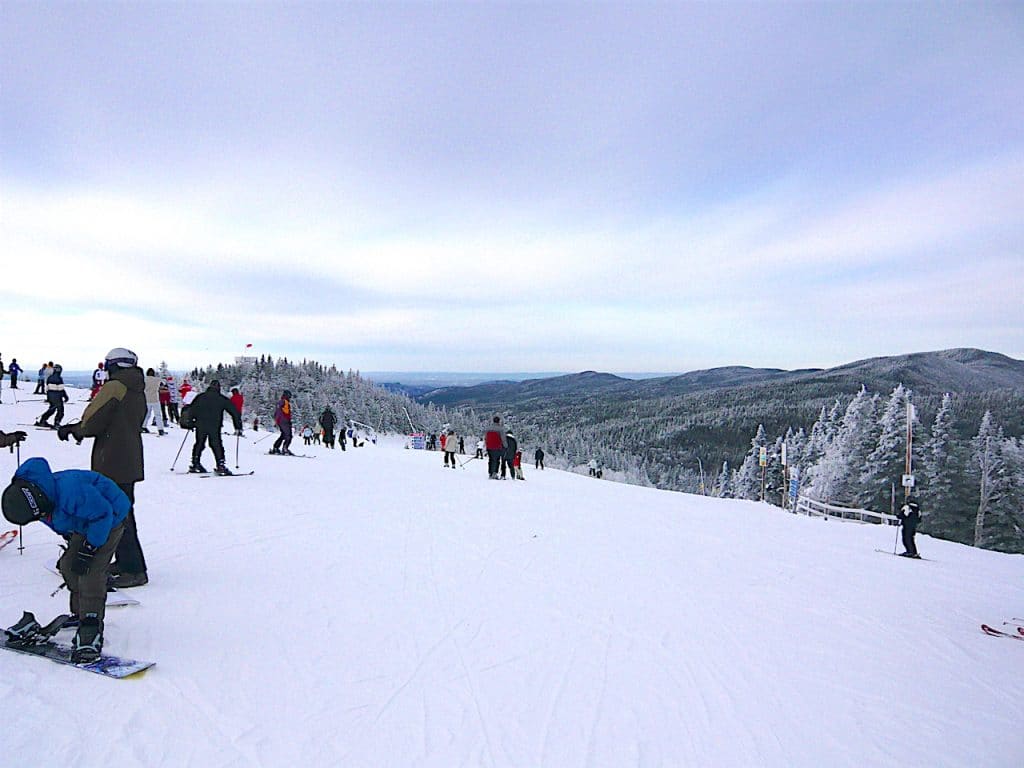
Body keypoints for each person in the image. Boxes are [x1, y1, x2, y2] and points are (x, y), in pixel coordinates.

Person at [2, 456, 131, 663]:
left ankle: (91, 623)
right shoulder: (40, 502)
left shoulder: (72, 492)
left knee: (90, 572)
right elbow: (60, 520)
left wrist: (89, 548)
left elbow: (103, 515)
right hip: (85, 521)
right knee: (69, 567)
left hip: (110, 518)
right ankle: (81, 612)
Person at [58, 347, 148, 589]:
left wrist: (73, 429)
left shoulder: (116, 386)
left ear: (114, 365)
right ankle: (127, 562)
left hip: (113, 459)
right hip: (128, 457)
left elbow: (93, 420)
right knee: (121, 511)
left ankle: (134, 570)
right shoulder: (138, 386)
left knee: (119, 514)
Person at [188, 379, 243, 475]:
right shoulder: (221, 398)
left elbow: (192, 409)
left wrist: (190, 422)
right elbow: (234, 412)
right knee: (216, 444)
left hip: (200, 424)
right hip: (214, 425)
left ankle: (195, 463)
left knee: (199, 443)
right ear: (218, 388)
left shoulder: (200, 397)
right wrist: (238, 426)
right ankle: (220, 465)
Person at [36, 363, 69, 428]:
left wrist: (48, 398)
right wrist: (65, 397)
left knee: (52, 409)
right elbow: (61, 389)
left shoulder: (49, 377)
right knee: (60, 411)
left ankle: (43, 420)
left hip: (51, 397)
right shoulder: (59, 378)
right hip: (58, 397)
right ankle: (57, 423)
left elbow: (47, 389)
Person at [142, 368, 166, 435]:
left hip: (147, 399)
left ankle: (143, 426)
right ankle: (160, 429)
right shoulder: (156, 379)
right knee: (158, 415)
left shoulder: (144, 379)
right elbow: (164, 382)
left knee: (147, 414)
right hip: (155, 399)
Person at [270, 389, 294, 455]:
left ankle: (276, 447)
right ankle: (285, 449)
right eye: (289, 396)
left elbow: (278, 412)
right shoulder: (283, 402)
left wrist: (277, 421)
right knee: (288, 436)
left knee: (283, 435)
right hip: (284, 421)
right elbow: (280, 412)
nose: (290, 397)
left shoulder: (283, 402)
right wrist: (279, 420)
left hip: (283, 421)